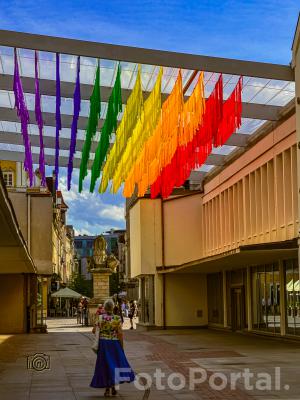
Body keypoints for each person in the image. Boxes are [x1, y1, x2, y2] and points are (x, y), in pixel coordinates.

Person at [90, 299, 135, 396]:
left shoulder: (100, 318)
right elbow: (120, 334)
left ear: (105, 308)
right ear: (113, 307)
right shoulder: (117, 319)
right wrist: (121, 347)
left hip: (103, 344)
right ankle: (114, 387)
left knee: (105, 365)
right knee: (114, 365)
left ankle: (107, 389)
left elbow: (93, 331)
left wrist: (101, 331)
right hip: (114, 344)